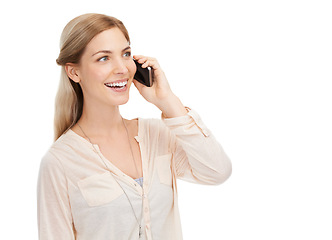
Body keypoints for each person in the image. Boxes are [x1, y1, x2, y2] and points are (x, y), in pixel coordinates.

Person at [37, 13, 232, 240]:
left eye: (126, 54)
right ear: (74, 72)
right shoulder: (60, 161)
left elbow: (217, 171)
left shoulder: (157, 134)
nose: (122, 68)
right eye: (103, 58)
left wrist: (167, 100)